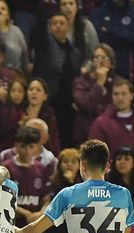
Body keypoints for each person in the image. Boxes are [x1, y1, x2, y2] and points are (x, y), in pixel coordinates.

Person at [33, 12, 82, 149]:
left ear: (68, 26)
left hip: (68, 104)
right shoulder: (45, 46)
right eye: (54, 23)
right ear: (49, 27)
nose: (58, 26)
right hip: (49, 101)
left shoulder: (74, 52)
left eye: (61, 23)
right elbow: (40, 28)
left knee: (67, 138)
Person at [4, 126, 53, 233]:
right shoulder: (7, 168)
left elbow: (47, 198)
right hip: (12, 228)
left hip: (36, 229)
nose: (27, 151)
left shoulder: (42, 168)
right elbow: (3, 199)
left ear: (37, 147)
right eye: (23, 146)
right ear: (16, 145)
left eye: (31, 147)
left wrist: (41, 213)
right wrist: (26, 213)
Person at [88, 77, 134, 159]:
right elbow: (94, 155)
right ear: (112, 96)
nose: (120, 98)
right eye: (116, 94)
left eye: (124, 94)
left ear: (131, 95)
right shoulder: (101, 123)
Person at [90, 0, 134, 83]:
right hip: (103, 65)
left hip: (126, 65)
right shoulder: (98, 14)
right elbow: (100, 38)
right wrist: (124, 35)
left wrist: (110, 30)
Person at [72, 44, 115, 146]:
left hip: (111, 133)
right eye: (97, 57)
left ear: (111, 63)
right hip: (86, 134)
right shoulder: (81, 82)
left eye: (104, 58)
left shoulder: (116, 83)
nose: (100, 61)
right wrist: (99, 83)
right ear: (92, 61)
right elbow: (86, 105)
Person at [107, 145, 134, 217]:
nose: (122, 162)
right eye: (118, 159)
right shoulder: (106, 180)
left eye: (127, 159)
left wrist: (133, 212)